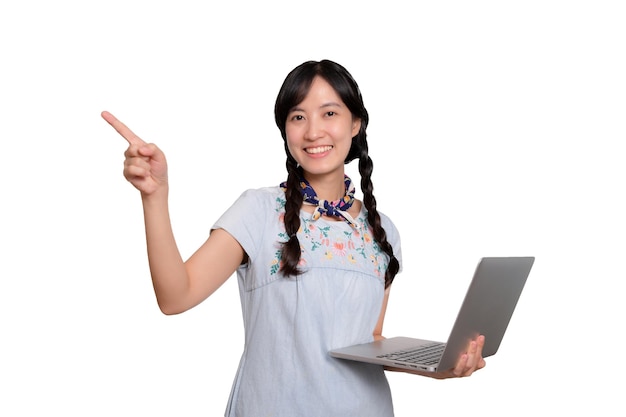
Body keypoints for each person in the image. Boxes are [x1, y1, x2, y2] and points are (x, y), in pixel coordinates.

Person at [102, 59, 486, 417]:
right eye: (298, 116)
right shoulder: (258, 210)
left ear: (356, 124)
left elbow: (369, 339)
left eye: (330, 113)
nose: (313, 131)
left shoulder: (382, 231)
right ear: (285, 129)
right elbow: (176, 296)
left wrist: (440, 367)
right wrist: (155, 197)